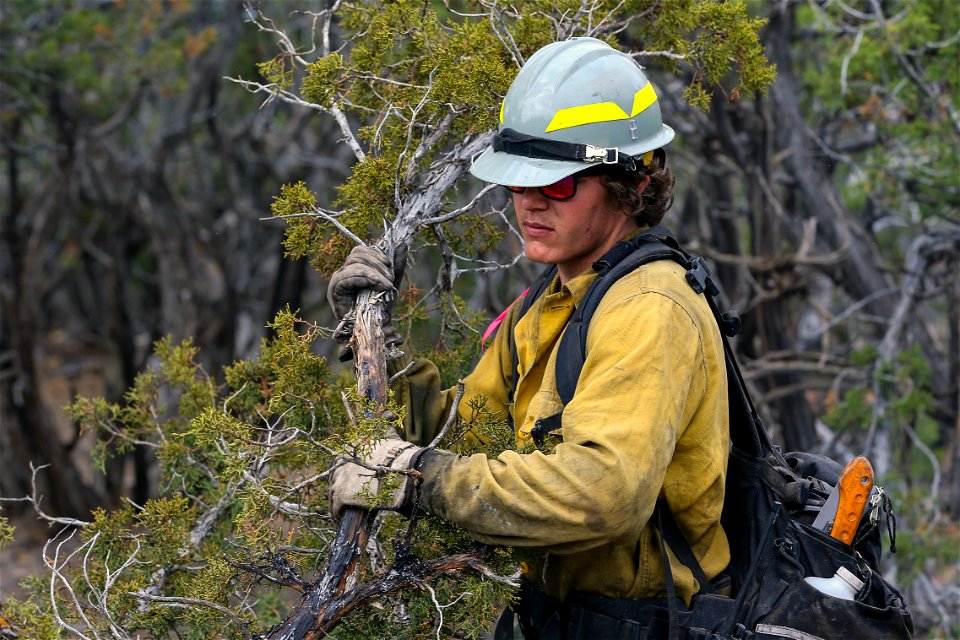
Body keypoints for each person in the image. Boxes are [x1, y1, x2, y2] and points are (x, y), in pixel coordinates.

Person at [327, 37, 730, 639]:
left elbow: (603, 498)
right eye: (518, 183)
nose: (530, 202)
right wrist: (379, 350)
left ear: (628, 185)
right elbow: (462, 431)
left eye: (560, 183)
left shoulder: (649, 308)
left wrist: (417, 479)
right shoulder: (553, 300)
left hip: (648, 625)